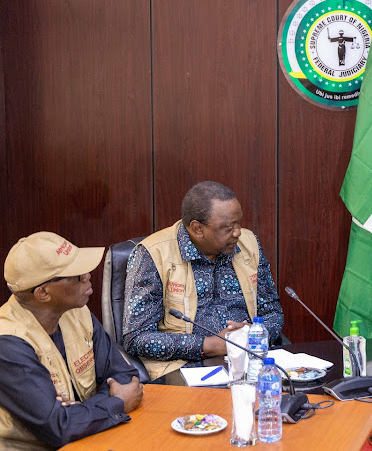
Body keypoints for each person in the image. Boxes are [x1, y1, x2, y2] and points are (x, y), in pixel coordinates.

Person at [123, 181, 284, 379]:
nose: (238, 233)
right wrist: (208, 346)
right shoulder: (153, 254)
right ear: (197, 228)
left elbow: (274, 313)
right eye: (227, 227)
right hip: (183, 369)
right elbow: (136, 339)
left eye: (239, 223)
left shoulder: (249, 243)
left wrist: (255, 332)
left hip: (250, 362)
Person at [0, 232, 143, 450]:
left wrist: (80, 414)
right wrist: (116, 403)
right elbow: (59, 429)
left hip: (89, 439)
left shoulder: (76, 312)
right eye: (76, 274)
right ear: (43, 293)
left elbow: (123, 376)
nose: (87, 275)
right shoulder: (8, 344)